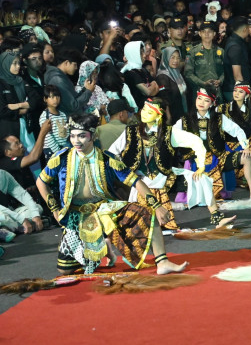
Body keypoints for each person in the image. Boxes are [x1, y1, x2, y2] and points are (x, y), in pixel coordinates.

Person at [36, 114, 188, 275]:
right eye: (72, 136)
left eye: (82, 136)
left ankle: (162, 261)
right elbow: (41, 182)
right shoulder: (62, 158)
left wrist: (157, 206)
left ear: (93, 136)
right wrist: (54, 209)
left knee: (147, 212)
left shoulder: (107, 159)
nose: (76, 141)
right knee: (65, 270)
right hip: (75, 215)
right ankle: (104, 247)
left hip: (104, 209)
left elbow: (136, 181)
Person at [108, 98, 227, 230]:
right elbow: (112, 152)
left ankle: (216, 216)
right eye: (144, 109)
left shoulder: (170, 133)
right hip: (140, 181)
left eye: (149, 111)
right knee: (141, 226)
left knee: (201, 178)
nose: (144, 113)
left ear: (159, 115)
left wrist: (200, 166)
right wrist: (123, 169)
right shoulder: (131, 132)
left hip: (164, 178)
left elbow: (196, 142)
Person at [184, 22, 225, 95]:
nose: (207, 34)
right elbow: (188, 73)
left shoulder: (221, 51)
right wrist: (202, 83)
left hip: (217, 92)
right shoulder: (193, 52)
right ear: (200, 33)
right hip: (199, 92)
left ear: (214, 33)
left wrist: (220, 81)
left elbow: (226, 70)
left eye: (209, 31)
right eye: (204, 31)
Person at [0, 169, 44, 235]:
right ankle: (12, 228)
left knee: (37, 208)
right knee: (2, 217)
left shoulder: (3, 174)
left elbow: (22, 195)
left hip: (8, 216)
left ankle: (7, 229)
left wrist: (35, 215)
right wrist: (22, 219)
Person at [156, 46, 189, 122]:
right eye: (172, 57)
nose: (176, 60)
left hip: (181, 113)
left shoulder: (178, 73)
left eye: (178, 58)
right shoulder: (162, 76)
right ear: (165, 58)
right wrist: (168, 117)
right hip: (172, 116)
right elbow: (164, 98)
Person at [38, 85, 69, 158]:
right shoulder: (45, 117)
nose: (55, 99)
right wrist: (58, 152)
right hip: (52, 151)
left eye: (57, 97)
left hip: (65, 148)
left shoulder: (62, 114)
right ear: (45, 99)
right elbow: (48, 137)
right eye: (51, 97)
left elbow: (67, 131)